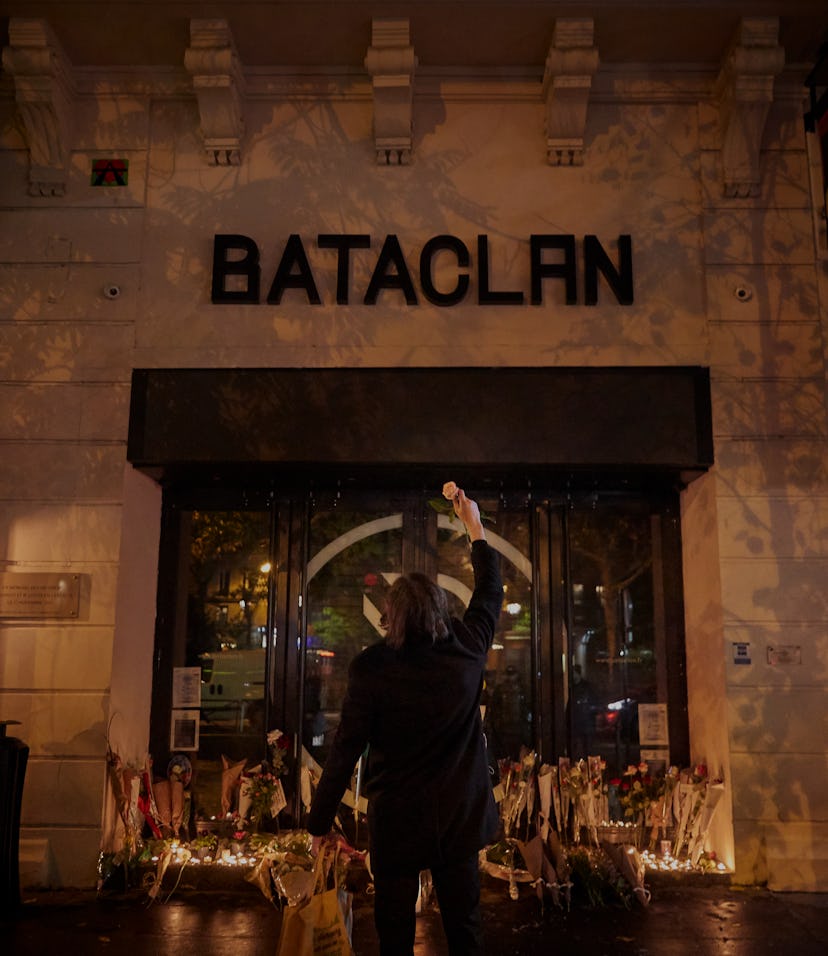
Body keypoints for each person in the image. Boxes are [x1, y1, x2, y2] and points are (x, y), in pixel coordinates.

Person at [306, 487, 503, 955]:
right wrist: (474, 527)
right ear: (440, 609)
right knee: (465, 929)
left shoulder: (371, 668)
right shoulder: (467, 650)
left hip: (397, 822)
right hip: (458, 819)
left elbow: (345, 749)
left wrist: (319, 823)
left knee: (393, 933)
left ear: (390, 617)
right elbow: (490, 592)